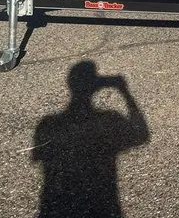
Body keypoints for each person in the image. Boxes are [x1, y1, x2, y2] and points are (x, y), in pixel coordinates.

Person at [32, 61, 150, 217]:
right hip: (102, 207)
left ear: (70, 84)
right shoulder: (108, 121)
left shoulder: (48, 124)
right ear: (97, 86)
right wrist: (124, 92)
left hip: (57, 207)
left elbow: (41, 159)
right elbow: (141, 135)